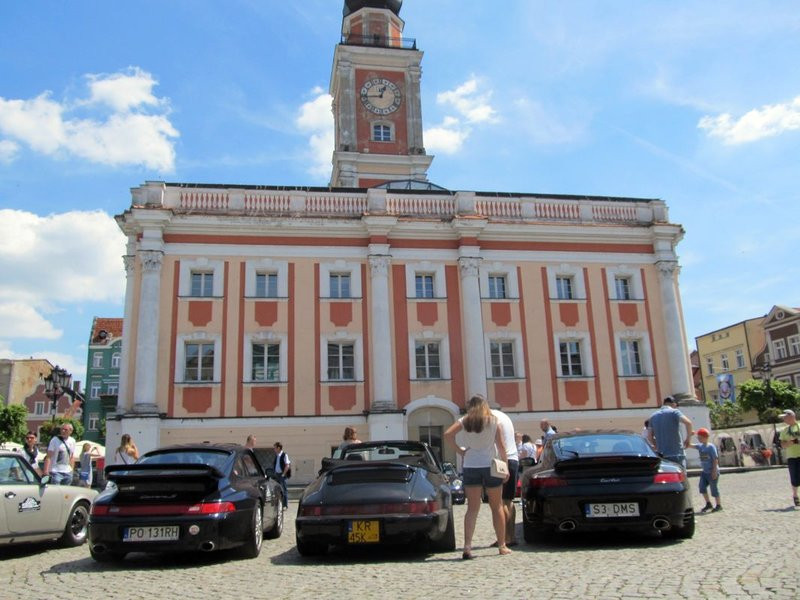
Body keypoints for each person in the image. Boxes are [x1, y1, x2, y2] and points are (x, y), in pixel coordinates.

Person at [444, 394, 511, 559]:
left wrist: (460, 451)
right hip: (490, 466)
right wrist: (506, 466)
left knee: (472, 508)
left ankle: (467, 546)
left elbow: (447, 434)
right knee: (496, 507)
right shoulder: (493, 421)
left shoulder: (465, 420)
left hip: (471, 465)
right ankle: (502, 545)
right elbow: (501, 446)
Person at [491, 406, 519, 547]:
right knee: (509, 500)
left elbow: (497, 443)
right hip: (514, 458)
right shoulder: (506, 417)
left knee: (500, 502)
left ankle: (503, 538)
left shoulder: (491, 418)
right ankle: (511, 536)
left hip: (501, 461)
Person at [647, 396, 693, 468]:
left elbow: (649, 436)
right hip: (677, 453)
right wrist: (688, 439)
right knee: (680, 477)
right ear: (674, 404)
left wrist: (655, 445)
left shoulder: (653, 416)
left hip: (662, 455)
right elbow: (688, 423)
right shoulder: (675, 412)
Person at [692, 428, 721, 512]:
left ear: (705, 437)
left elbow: (715, 459)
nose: (698, 439)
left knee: (714, 489)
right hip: (704, 472)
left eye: (700, 437)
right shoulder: (700, 446)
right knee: (702, 487)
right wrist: (689, 436)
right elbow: (689, 445)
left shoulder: (710, 447)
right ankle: (708, 503)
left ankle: (718, 505)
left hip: (712, 471)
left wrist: (714, 471)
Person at [778, 409, 800, 507]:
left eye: (785, 417)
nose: (784, 419)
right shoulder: (784, 431)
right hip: (792, 456)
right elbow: (782, 445)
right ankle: (795, 495)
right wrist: (791, 442)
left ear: (791, 416)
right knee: (794, 477)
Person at [273, 442, 291, 509]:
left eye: (275, 448)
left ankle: (285, 505)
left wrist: (283, 474)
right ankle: (278, 504)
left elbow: (287, 465)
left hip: (282, 475)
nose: (274, 449)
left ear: (278, 448)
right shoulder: (277, 455)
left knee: (284, 490)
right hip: (277, 475)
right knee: (277, 490)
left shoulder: (284, 455)